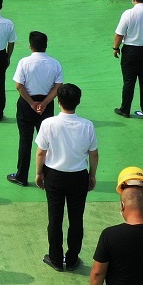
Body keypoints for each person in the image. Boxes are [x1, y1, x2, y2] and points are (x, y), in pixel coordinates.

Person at [35, 83, 99, 271]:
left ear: (58, 101)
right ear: (78, 101)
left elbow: (41, 152)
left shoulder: (48, 124)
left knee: (55, 219)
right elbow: (93, 154)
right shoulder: (87, 125)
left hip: (54, 176)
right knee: (76, 219)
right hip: (78, 176)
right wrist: (92, 175)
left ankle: (55, 258)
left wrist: (39, 173)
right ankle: (72, 259)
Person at [8, 31, 63, 187]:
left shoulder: (24, 62)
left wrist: (32, 103)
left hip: (26, 104)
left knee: (25, 141)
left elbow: (19, 85)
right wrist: (44, 103)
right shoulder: (55, 63)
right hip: (46, 106)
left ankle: (21, 176)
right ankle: (47, 176)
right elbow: (58, 87)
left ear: (30, 46)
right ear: (46, 45)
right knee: (47, 142)